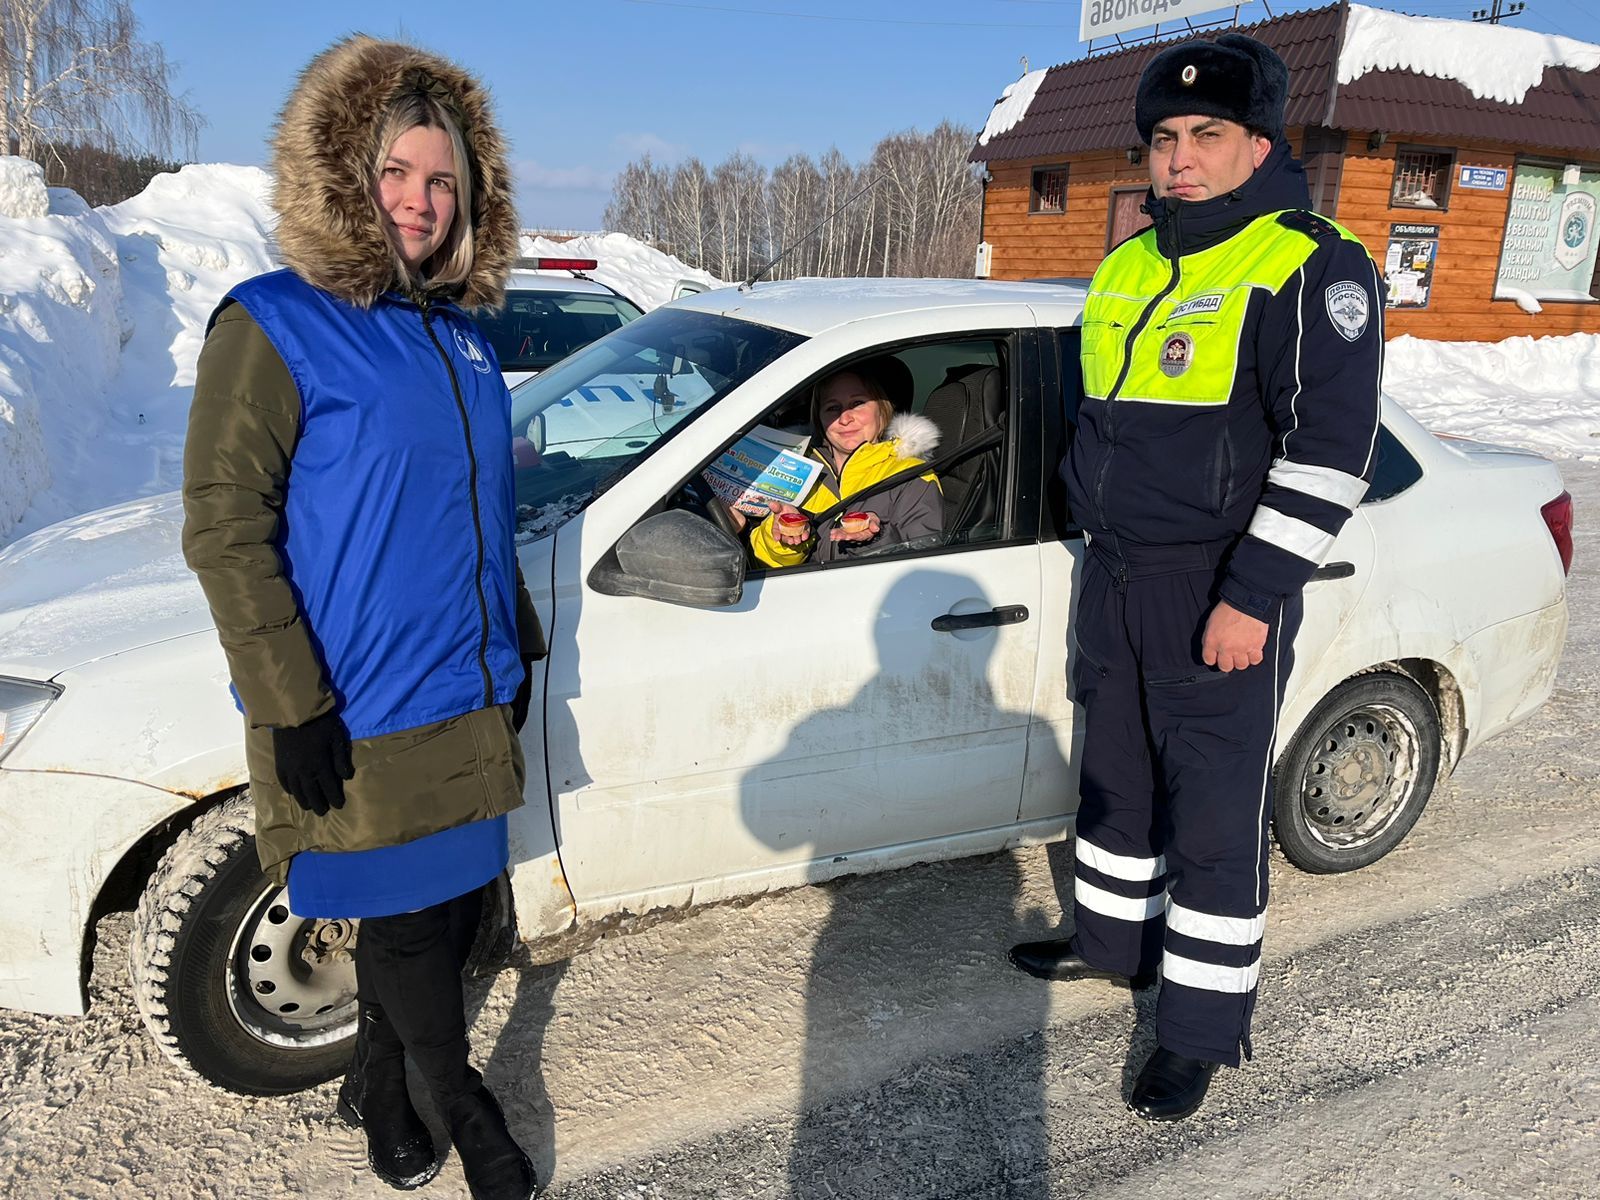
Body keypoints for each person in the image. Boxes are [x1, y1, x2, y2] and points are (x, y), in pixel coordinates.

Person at [181, 36, 541, 1200]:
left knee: (440, 919)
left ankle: (380, 1084)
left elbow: (479, 512)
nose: (422, 204)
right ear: (344, 173)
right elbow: (226, 528)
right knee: (395, 925)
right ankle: (465, 1104)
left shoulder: (462, 339)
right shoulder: (274, 323)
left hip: (464, 689)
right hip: (354, 705)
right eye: (397, 173)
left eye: (445, 181)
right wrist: (290, 702)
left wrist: (515, 643)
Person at [1008, 33, 1383, 1121]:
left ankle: (1199, 1028)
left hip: (1214, 586)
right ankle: (1112, 944)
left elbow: (1330, 450)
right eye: (1165, 137)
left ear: (1258, 142)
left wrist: (1251, 594)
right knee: (1115, 781)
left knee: (1214, 820)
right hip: (1116, 580)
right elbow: (1090, 423)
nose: (1180, 157)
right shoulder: (1130, 262)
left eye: (1205, 135)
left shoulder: (1309, 262)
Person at [739, 368, 942, 567]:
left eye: (857, 403)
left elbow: (925, 570)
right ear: (819, 419)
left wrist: (875, 539)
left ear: (882, 410)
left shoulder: (912, 475)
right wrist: (782, 540)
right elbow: (759, 568)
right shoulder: (795, 469)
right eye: (833, 408)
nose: (845, 418)